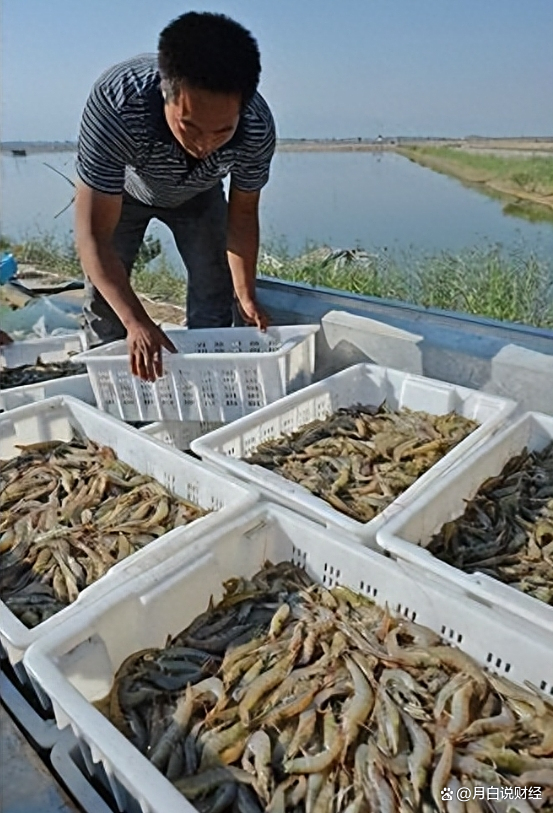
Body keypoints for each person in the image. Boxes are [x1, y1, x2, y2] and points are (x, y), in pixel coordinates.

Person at [75, 11, 276, 381]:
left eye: (222, 131)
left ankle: (207, 383)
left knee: (215, 295)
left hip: (200, 195)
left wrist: (246, 293)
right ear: (165, 93)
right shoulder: (118, 103)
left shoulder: (256, 127)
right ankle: (109, 386)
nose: (204, 144)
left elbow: (244, 215)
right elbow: (94, 236)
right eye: (190, 126)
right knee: (108, 306)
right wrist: (137, 322)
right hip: (122, 196)